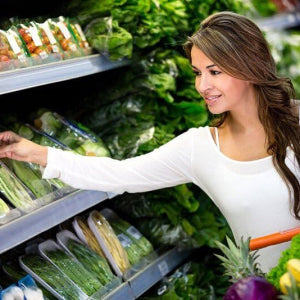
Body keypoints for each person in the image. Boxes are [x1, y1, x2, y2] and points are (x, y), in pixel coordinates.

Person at [0, 11, 299, 272]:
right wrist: (38, 153)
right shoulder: (200, 149)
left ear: (250, 66)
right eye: (197, 73)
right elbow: (121, 174)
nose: (202, 86)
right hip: (265, 290)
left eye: (215, 72)